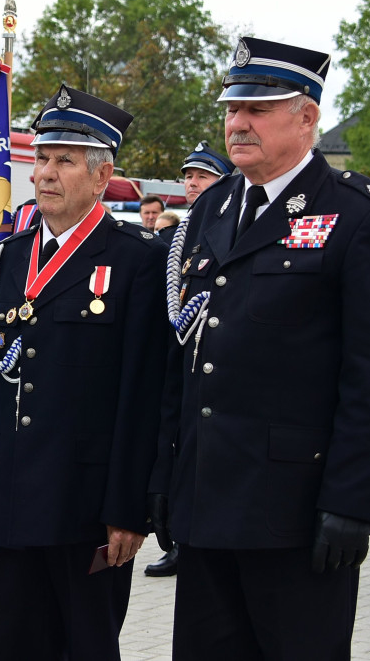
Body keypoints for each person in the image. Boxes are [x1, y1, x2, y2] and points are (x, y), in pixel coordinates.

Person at [152, 37, 370, 659]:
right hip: (206, 500)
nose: (238, 123)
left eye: (259, 108)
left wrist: (353, 502)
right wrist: (165, 476)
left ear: (307, 117)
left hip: (295, 513)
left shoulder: (358, 215)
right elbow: (184, 356)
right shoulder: (211, 208)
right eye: (232, 108)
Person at [0, 84, 168, 660]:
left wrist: (128, 510)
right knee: (17, 645)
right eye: (39, 158)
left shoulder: (138, 260)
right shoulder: (9, 256)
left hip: (88, 505)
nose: (45, 174)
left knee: (86, 646)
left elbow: (142, 395)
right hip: (15, 497)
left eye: (63, 161)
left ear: (101, 175)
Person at [145, 140, 234, 577]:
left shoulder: (224, 227)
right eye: (188, 176)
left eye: (202, 176)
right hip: (177, 353)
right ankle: (176, 535)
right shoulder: (174, 235)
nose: (192, 183)